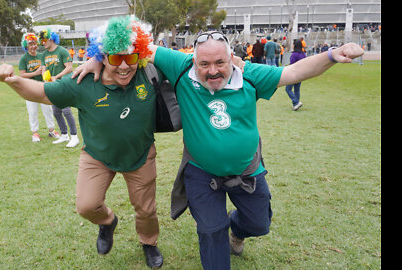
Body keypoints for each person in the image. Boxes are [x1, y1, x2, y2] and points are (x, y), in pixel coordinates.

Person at [74, 28, 364, 270]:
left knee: (259, 224)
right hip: (202, 174)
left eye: (219, 63)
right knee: (212, 231)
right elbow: (130, 41)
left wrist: (330, 56)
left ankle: (237, 231)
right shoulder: (180, 67)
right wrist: (98, 59)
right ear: (193, 61)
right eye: (204, 64)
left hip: (248, 171)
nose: (212, 71)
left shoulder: (250, 75)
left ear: (233, 59)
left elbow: (293, 72)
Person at [0, 16, 164, 269]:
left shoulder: (148, 73)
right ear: (103, 56)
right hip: (97, 155)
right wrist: (13, 80)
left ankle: (149, 243)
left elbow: (187, 64)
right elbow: (41, 92)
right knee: (86, 206)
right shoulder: (83, 81)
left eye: (131, 57)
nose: (125, 66)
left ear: (140, 54)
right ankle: (107, 223)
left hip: (139, 155)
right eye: (116, 58)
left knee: (146, 210)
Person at [38, 28, 79, 148]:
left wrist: (57, 77)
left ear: (51, 39)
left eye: (44, 40)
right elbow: (44, 69)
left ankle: (74, 136)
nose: (43, 43)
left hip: (64, 84)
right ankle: (64, 135)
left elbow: (69, 68)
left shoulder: (62, 51)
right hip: (52, 86)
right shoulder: (44, 55)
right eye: (41, 41)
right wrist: (45, 78)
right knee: (56, 112)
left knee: (66, 110)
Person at [18, 32, 60, 142]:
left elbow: (46, 70)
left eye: (34, 43)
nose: (33, 46)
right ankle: (35, 133)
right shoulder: (24, 58)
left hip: (43, 87)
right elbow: (22, 75)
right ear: (26, 46)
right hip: (29, 88)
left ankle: (52, 130)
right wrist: (35, 73)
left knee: (48, 109)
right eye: (30, 44)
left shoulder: (42, 56)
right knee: (32, 111)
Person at [285, 39, 307, 111]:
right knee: (297, 90)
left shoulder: (294, 54)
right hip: (301, 74)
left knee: (288, 89)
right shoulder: (303, 54)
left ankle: (295, 102)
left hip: (294, 74)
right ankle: (296, 104)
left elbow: (292, 65)